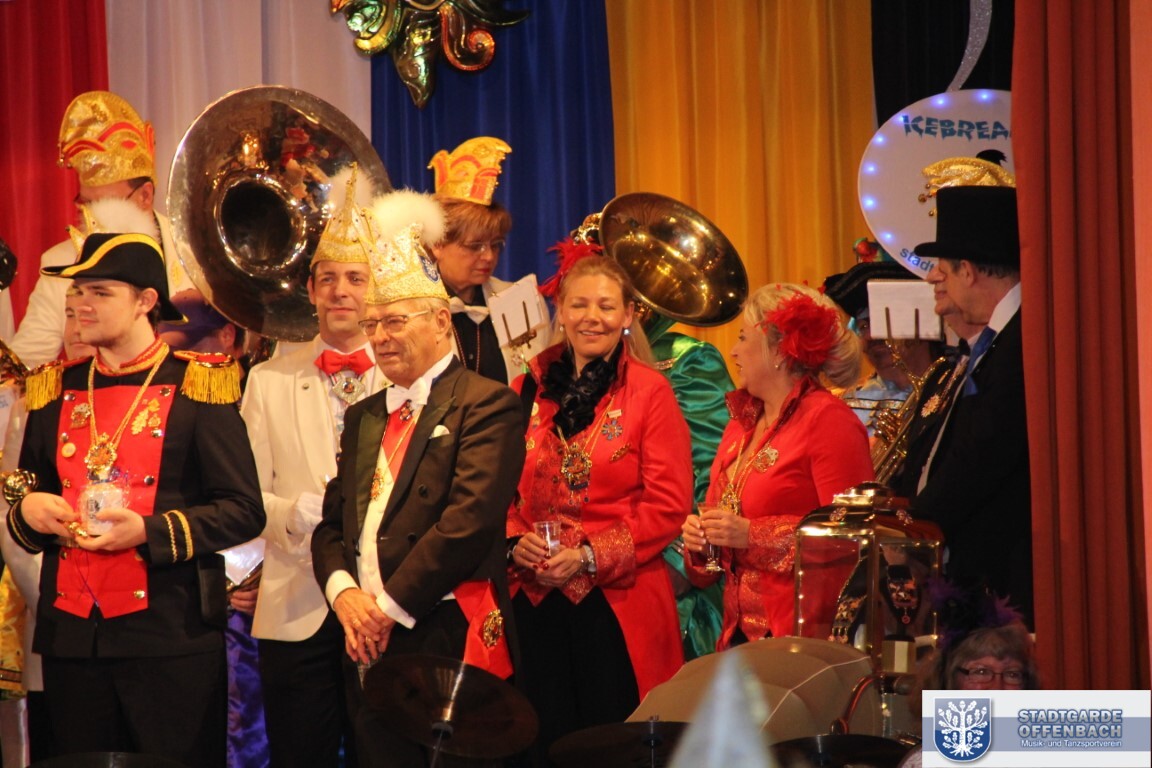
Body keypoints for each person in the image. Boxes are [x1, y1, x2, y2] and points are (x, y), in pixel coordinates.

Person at [4, 229, 265, 764]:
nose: (81, 305)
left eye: (100, 292)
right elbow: (30, 493)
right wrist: (28, 511)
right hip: (73, 640)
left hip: (170, 637)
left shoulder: (199, 383)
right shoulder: (55, 387)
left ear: (146, 301)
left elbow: (243, 510)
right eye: (78, 292)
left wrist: (147, 531)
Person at [311, 191, 524, 768]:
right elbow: (332, 526)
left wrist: (386, 608)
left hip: (444, 627)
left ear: (440, 321)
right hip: (364, 634)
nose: (380, 336)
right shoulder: (365, 414)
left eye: (395, 321)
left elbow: (467, 522)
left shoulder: (487, 404)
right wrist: (345, 595)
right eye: (372, 323)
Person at [507, 254, 693, 759]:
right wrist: (515, 540)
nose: (592, 317)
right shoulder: (527, 386)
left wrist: (589, 555)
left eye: (607, 307)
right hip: (535, 600)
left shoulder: (650, 392)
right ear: (560, 311)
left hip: (616, 605)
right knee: (539, 743)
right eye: (579, 305)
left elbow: (669, 504)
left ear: (629, 314)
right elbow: (500, 490)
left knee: (614, 748)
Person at [241, 171, 385, 768]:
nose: (340, 291)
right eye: (328, 279)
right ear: (310, 289)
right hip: (295, 601)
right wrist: (290, 515)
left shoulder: (406, 376)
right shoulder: (267, 379)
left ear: (376, 287)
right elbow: (244, 495)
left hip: (383, 606)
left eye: (355, 278)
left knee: (385, 752)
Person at [681, 283, 873, 649]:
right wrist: (701, 543)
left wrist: (751, 535)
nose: (733, 351)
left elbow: (851, 538)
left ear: (780, 351)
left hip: (803, 637)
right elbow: (710, 568)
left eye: (742, 338)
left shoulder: (829, 420)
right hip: (738, 636)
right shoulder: (741, 423)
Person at [902, 186, 1032, 626]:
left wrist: (913, 526)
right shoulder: (1000, 340)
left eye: (942, 268)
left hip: (1006, 583)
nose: (932, 279)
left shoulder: (1020, 341)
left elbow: (985, 450)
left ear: (969, 271)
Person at [11, 90, 194, 368]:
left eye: (103, 204)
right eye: (85, 203)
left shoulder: (191, 250)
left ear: (145, 196)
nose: (91, 217)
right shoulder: (60, 263)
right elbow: (27, 362)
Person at [428, 137, 550, 384]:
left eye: (495, 245)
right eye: (475, 246)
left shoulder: (518, 299)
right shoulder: (414, 309)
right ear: (437, 244)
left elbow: (538, 380)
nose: (489, 256)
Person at [823, 259, 947, 437]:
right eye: (864, 326)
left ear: (919, 324)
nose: (870, 335)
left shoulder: (953, 389)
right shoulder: (844, 404)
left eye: (881, 322)